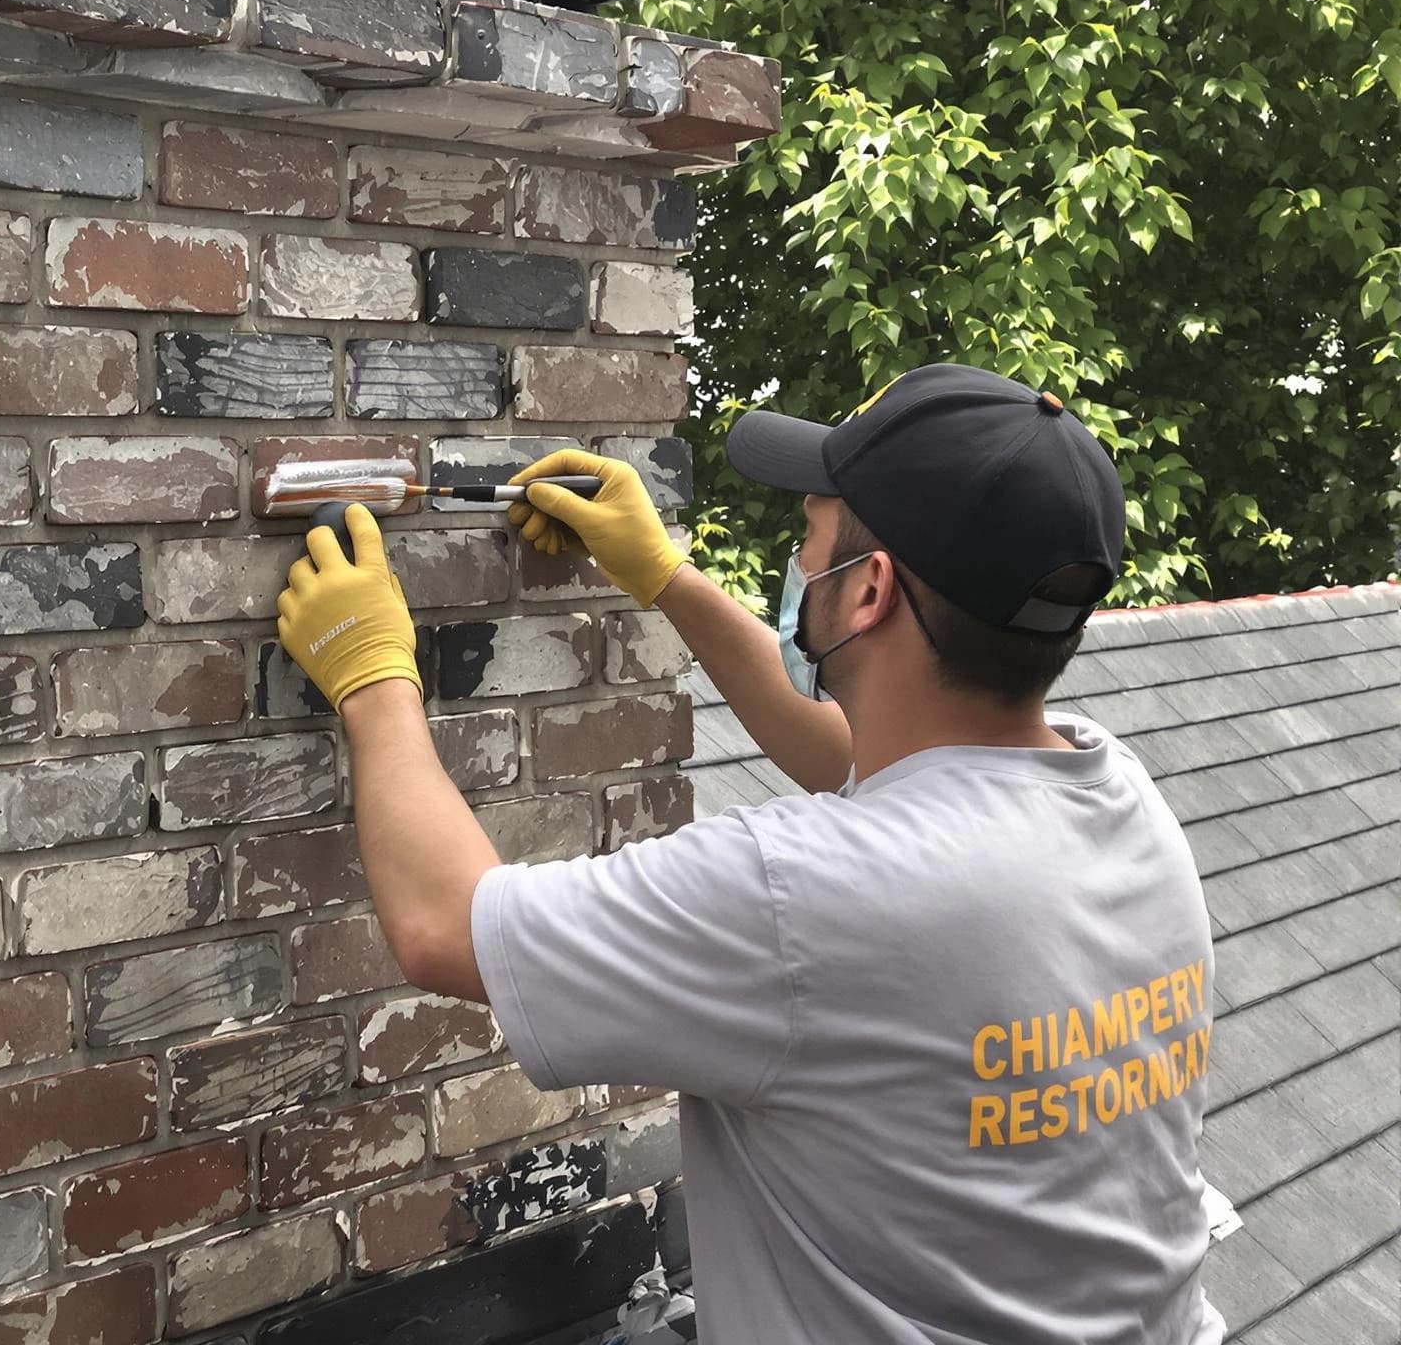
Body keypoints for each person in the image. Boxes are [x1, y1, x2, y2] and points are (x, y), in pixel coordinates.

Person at [274, 363, 1222, 1344]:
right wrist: (665, 578)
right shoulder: (1110, 793)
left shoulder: (804, 895)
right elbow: (859, 757)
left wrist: (374, 671)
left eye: (809, 532)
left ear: (870, 590)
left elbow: (442, 923)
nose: (794, 552)